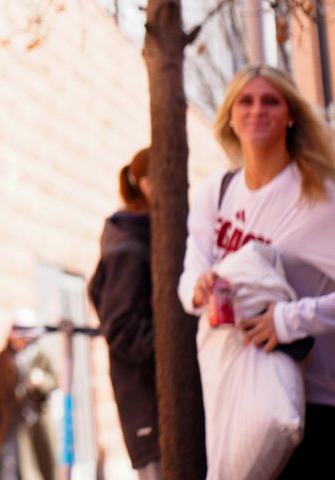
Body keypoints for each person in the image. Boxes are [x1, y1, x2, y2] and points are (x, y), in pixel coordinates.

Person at [178, 64, 335, 477]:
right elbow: (191, 271)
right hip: (232, 391)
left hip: (312, 399)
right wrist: (200, 287)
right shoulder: (217, 191)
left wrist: (287, 320)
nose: (257, 110)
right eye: (245, 101)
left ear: (291, 115)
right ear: (230, 115)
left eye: (270, 101)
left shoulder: (319, 197)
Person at [88, 147, 161, 480]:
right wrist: (184, 343)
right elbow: (122, 329)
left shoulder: (153, 235)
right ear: (145, 184)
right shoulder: (129, 243)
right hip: (148, 403)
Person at [0, 308, 57, 480]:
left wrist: (41, 381)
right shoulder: (1, 359)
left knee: (39, 466)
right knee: (8, 465)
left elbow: (55, 379)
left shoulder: (41, 355)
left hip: (35, 420)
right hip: (10, 420)